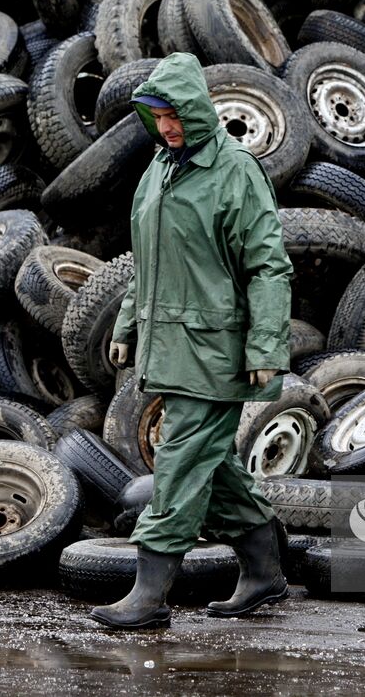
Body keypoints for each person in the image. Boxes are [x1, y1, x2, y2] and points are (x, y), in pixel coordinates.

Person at [90, 51, 294, 631]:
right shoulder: (159, 167)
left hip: (216, 353)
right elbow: (147, 262)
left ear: (198, 109)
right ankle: (264, 574)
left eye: (175, 115)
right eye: (156, 117)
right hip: (170, 347)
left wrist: (265, 349)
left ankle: (149, 595)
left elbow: (268, 267)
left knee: (179, 464)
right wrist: (128, 324)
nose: (168, 127)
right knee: (213, 468)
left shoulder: (234, 171)